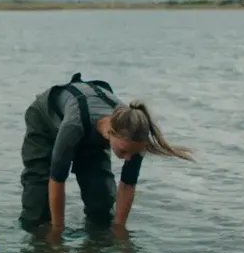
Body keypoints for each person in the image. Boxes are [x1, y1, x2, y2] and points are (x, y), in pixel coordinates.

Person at [19, 74, 192, 236]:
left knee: (101, 206)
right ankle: (38, 252)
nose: (128, 158)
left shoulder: (136, 133)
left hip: (91, 132)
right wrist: (57, 232)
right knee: (38, 206)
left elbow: (127, 185)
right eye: (123, 151)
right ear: (111, 133)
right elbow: (57, 179)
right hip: (46, 119)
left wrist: (120, 231)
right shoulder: (74, 125)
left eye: (132, 153)